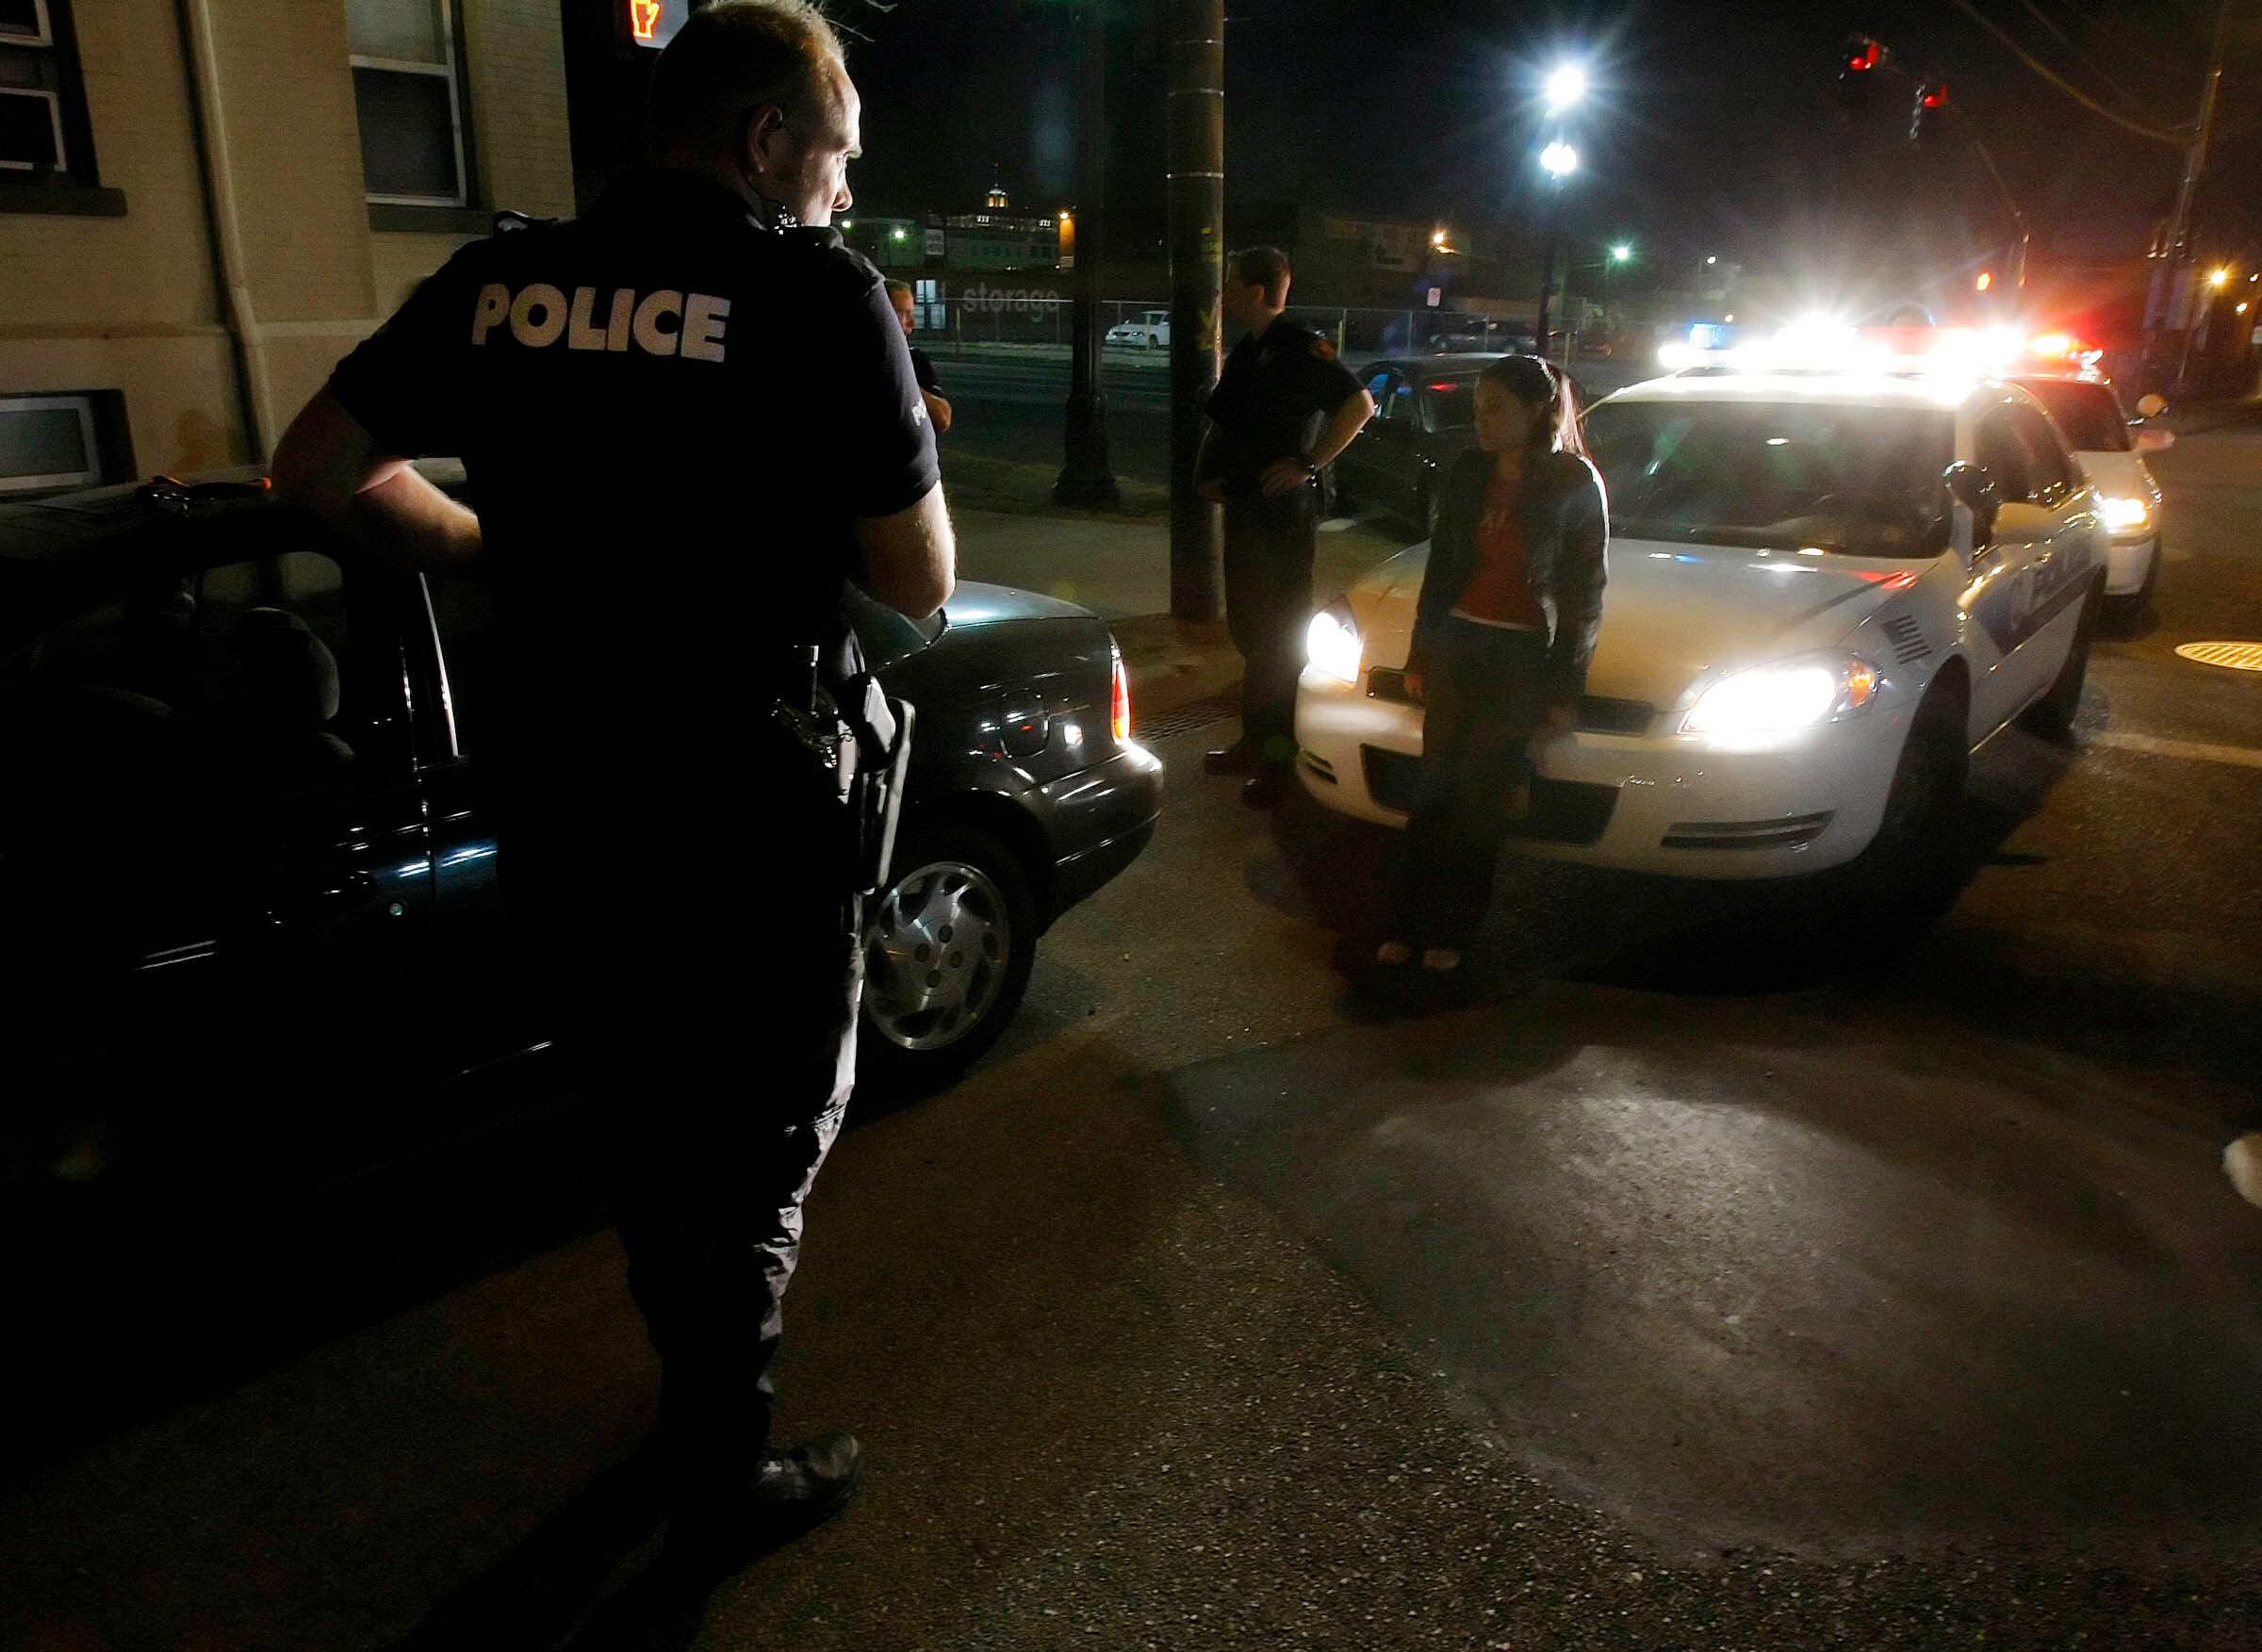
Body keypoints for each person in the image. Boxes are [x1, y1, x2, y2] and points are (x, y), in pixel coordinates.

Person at [270, 0, 954, 1581]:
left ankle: (692, 1389)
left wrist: (494, 548)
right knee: (769, 1129)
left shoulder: (502, 279)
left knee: (643, 1112)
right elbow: (916, 583)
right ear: (768, 142)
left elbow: (313, 463)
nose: (844, 189)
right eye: (837, 155)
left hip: (568, 798)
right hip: (749, 808)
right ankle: (722, 1469)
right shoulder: (815, 292)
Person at [1373, 354, 1606, 985]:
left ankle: (1451, 930)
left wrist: (1565, 684)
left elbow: (1586, 590)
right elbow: (1441, 566)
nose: (1480, 419)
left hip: (1521, 656)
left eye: (1495, 406)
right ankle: (1403, 924)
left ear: (1534, 412)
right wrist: (1421, 651)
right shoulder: (1469, 470)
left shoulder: (1571, 480)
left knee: (1480, 795)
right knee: (1434, 787)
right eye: (1477, 406)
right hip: (1459, 645)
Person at [1194, 246, 1375, 806]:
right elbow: (1222, 421)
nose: (1222, 292)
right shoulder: (1251, 349)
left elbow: (1359, 404)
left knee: (1279, 639)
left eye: (1231, 282)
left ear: (1255, 290)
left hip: (1284, 517)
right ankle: (1254, 741)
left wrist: (1309, 464)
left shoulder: (1299, 344)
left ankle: (1280, 762)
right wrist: (1206, 475)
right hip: (1250, 509)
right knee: (1251, 631)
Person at [887, 278, 952, 435]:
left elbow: (943, 419)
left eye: (912, 312)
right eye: (904, 313)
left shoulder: (916, 360)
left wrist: (904, 381)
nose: (912, 322)